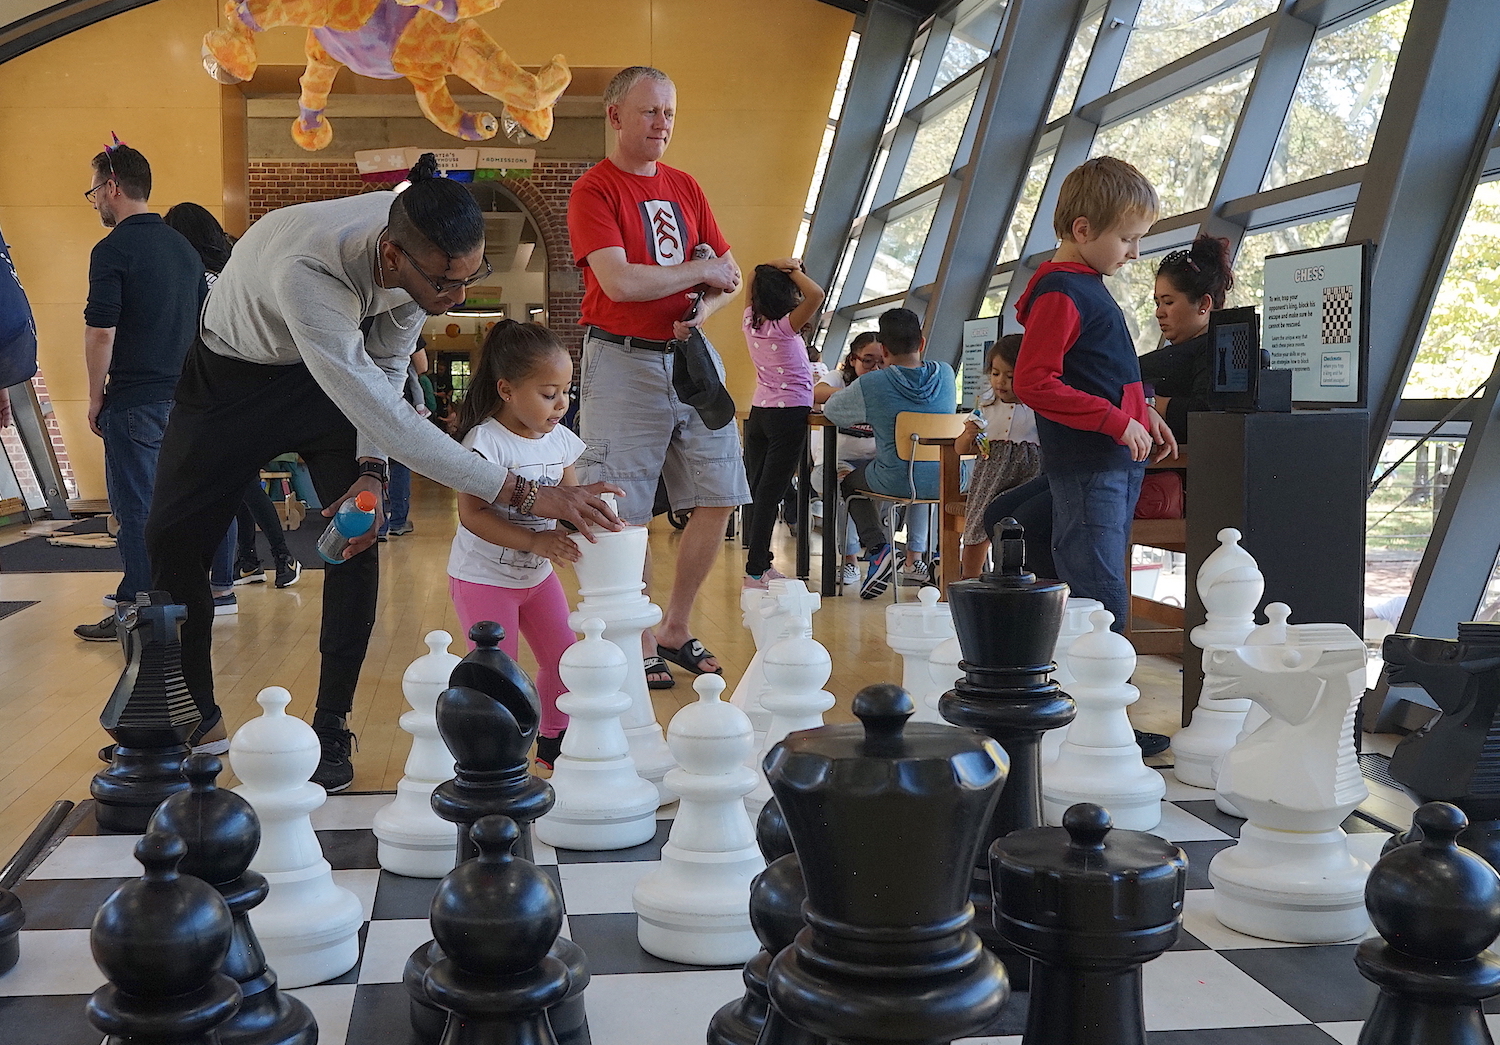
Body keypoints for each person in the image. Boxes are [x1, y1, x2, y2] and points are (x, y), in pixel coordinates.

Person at [144, 153, 621, 791]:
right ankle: (192, 713)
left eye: (470, 277)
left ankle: (333, 722)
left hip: (331, 380)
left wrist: (370, 470)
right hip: (231, 377)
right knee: (172, 543)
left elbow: (388, 376)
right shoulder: (308, 273)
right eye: (445, 285)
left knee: (356, 535)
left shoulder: (422, 250)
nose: (456, 298)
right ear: (393, 259)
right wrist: (525, 492)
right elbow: (392, 417)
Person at [568, 65, 749, 688]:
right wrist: (699, 276)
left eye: (669, 113)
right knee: (624, 507)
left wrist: (705, 302)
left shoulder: (686, 187)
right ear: (616, 116)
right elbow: (619, 281)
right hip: (620, 362)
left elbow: (731, 275)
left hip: (691, 356)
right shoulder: (595, 190)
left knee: (720, 492)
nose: (662, 124)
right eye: (650, 113)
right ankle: (638, 635)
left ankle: (674, 625)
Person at [1011, 156, 1177, 756]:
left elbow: (1105, 370)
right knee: (1098, 587)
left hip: (1109, 459)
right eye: (1127, 239)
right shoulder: (1061, 291)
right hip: (1092, 461)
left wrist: (1143, 409)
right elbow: (1036, 381)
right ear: (1083, 231)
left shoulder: (1083, 287)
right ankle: (1102, 723)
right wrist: (1114, 419)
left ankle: (1087, 709)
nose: (1133, 252)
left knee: (1096, 577)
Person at [74, 141, 206, 643]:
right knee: (176, 507)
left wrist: (94, 396)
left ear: (112, 187)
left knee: (136, 510)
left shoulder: (112, 250)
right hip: (185, 400)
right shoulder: (183, 248)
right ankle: (175, 604)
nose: (94, 204)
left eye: (93, 193)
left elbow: (101, 330)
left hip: (134, 400)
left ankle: (139, 612)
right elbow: (204, 327)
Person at [448, 321, 582, 769]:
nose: (561, 404)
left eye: (566, 390)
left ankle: (553, 743)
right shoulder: (486, 442)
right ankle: (497, 758)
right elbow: (473, 515)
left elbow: (571, 501)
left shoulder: (560, 439)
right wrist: (534, 539)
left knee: (565, 659)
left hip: (536, 577)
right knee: (499, 673)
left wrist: (592, 513)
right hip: (484, 579)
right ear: (506, 390)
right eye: (549, 393)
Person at [822, 307, 956, 599]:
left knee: (846, 480)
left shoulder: (873, 383)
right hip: (949, 478)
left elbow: (833, 413)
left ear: (882, 350)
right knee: (919, 477)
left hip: (896, 479)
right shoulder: (946, 374)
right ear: (921, 343)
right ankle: (921, 559)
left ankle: (879, 549)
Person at [741, 258, 824, 589]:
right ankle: (756, 570)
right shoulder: (785, 328)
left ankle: (759, 564)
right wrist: (794, 270)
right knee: (770, 494)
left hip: (760, 412)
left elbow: (750, 276)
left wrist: (767, 267)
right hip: (788, 415)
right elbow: (816, 294)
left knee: (761, 491)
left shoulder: (752, 324)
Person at [956, 335, 1040, 578]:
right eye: (995, 373)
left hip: (1028, 475)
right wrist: (968, 434)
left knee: (1019, 528)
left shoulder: (1037, 407)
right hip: (989, 478)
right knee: (976, 529)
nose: (1001, 382)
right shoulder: (986, 406)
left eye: (1011, 376)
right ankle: (969, 579)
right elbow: (961, 448)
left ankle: (1014, 577)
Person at [1138, 234, 1236, 444]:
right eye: (1157, 303)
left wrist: (1146, 404)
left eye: (1168, 302)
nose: (1159, 313)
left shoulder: (1216, 351)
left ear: (1203, 304)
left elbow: (1205, 414)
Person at [812, 332, 884, 587]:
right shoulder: (839, 379)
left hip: (875, 465)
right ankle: (851, 560)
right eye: (868, 361)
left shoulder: (888, 383)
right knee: (839, 484)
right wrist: (859, 393)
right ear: (853, 359)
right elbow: (816, 392)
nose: (875, 368)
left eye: (881, 361)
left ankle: (912, 559)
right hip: (836, 461)